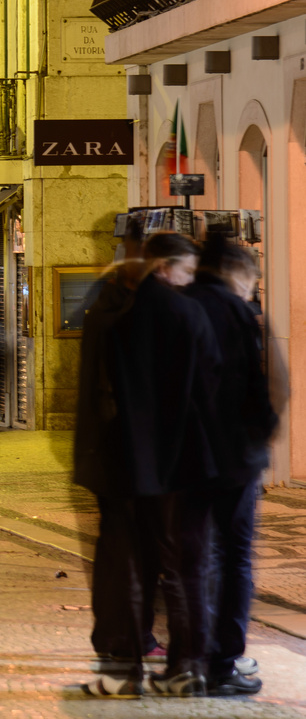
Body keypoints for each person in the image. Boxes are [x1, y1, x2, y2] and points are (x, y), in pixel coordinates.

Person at [86, 230, 223, 697]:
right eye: (185, 271)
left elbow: (114, 397)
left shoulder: (120, 317)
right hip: (184, 461)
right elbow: (208, 390)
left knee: (137, 563)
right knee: (184, 563)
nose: (190, 280)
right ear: (164, 268)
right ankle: (188, 665)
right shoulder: (189, 312)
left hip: (137, 462)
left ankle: (127, 666)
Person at [184, 233, 276, 696]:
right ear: (239, 274)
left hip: (189, 455)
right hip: (235, 454)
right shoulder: (238, 311)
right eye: (252, 282)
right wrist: (263, 433)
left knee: (200, 556)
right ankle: (224, 661)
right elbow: (254, 386)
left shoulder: (181, 305)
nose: (252, 291)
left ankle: (193, 655)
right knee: (237, 556)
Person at [73, 220, 160, 684]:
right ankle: (127, 638)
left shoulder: (104, 303)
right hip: (122, 451)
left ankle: (119, 635)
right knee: (132, 551)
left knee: (119, 550)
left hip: (110, 451)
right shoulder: (122, 307)